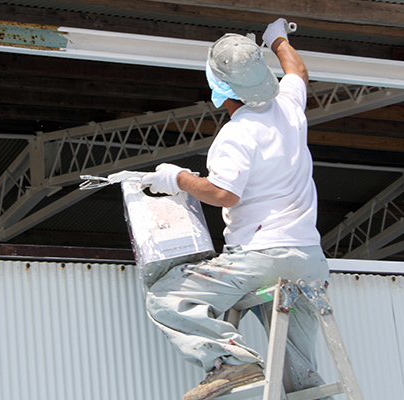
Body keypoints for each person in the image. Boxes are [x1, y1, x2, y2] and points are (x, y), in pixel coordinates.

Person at [141, 18, 331, 400]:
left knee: (165, 297)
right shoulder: (290, 106)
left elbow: (223, 194)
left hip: (263, 259)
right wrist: (277, 37)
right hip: (309, 260)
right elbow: (299, 72)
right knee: (297, 364)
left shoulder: (237, 133)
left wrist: (175, 179)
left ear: (218, 88)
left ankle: (231, 362)